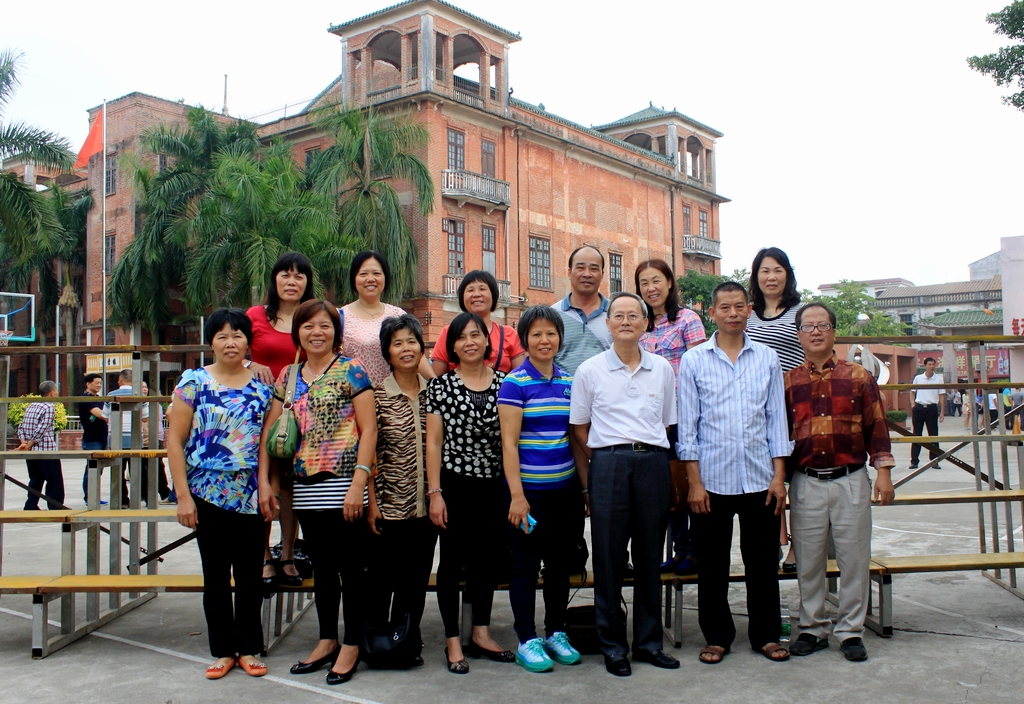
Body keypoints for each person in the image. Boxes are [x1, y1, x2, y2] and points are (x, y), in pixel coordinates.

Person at [259, 299, 376, 686]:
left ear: (335, 332)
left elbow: (369, 430)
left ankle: (351, 644)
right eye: (308, 326)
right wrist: (268, 482)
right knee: (323, 568)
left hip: (345, 484)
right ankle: (327, 640)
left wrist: (359, 482)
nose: (317, 332)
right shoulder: (289, 376)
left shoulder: (351, 369)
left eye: (325, 325)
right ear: (298, 333)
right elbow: (272, 431)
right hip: (305, 487)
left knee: (351, 568)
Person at [676, 281, 793, 665]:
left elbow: (776, 419)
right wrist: (694, 482)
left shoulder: (767, 358)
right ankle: (717, 637)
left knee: (763, 562)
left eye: (739, 306)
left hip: (760, 478)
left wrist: (779, 476)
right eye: (724, 307)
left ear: (749, 310)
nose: (732, 313)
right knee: (712, 565)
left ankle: (766, 636)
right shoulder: (694, 360)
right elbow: (688, 426)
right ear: (712, 313)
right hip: (711, 480)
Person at [570, 292, 679, 677]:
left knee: (650, 556)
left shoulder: (662, 368)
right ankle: (613, 646)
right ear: (608, 323)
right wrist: (608, 455)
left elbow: (665, 422)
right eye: (619, 315)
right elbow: (579, 427)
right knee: (609, 557)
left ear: (646, 323)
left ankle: (649, 643)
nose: (626, 321)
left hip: (652, 464)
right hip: (609, 465)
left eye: (635, 315)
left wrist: (638, 450)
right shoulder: (590, 370)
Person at [784, 302, 896, 662]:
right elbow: (781, 436)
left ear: (834, 332)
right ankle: (812, 628)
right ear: (798, 334)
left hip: (850, 479)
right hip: (805, 481)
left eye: (823, 325)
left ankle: (850, 631)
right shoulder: (789, 381)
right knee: (808, 561)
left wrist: (883, 472)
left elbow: (877, 426)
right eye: (808, 326)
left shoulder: (859, 376)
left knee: (854, 558)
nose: (816, 331)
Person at [167, 308, 274, 680]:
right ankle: (223, 651)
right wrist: (183, 495)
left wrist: (266, 486)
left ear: (248, 341)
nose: (231, 342)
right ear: (211, 342)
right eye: (222, 336)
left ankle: (249, 648)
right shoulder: (193, 382)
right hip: (205, 493)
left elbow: (266, 444)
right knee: (215, 577)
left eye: (238, 335)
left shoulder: (263, 388)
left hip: (249, 494)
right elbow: (175, 441)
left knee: (249, 576)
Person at [498, 306, 588, 673]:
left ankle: (555, 632)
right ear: (525, 340)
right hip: (529, 495)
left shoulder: (569, 382)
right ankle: (526, 639)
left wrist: (584, 490)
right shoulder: (515, 383)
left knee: (559, 565)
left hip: (565, 492)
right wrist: (517, 497)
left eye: (550, 333)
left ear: (560, 338)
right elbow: (508, 444)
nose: (544, 340)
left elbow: (575, 440)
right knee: (525, 566)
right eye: (536, 334)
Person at [426, 311, 513, 674]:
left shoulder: (506, 384)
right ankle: (452, 641)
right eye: (461, 337)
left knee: (486, 561)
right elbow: (433, 443)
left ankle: (481, 632)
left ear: (487, 341)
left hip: (493, 486)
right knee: (450, 562)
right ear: (452, 346)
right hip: (454, 485)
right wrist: (435, 493)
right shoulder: (440, 387)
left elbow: (510, 441)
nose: (469, 342)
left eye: (476, 334)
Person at [366, 314, 436, 661]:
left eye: (412, 341)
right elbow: (368, 453)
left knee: (415, 581)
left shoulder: (435, 394)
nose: (406, 349)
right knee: (382, 581)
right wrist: (371, 503)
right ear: (387, 352)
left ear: (422, 349)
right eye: (397, 343)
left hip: (427, 507)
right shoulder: (376, 396)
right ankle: (377, 644)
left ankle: (406, 642)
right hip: (389, 506)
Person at [247, 252, 315, 590]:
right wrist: (249, 364)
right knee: (261, 483)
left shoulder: (311, 317)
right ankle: (264, 556)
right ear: (274, 280)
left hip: (300, 414)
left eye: (299, 276)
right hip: (259, 412)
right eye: (285, 274)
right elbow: (230, 349)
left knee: (290, 486)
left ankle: (287, 554)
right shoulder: (255, 316)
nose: (292, 281)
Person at [635, 259, 706, 575]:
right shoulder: (641, 325)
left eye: (656, 281)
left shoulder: (687, 319)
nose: (651, 288)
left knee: (692, 484)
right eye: (644, 283)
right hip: (653, 421)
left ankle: (696, 551)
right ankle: (679, 550)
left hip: (686, 418)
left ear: (669, 282)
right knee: (670, 490)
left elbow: (702, 369)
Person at [745, 246, 804, 570]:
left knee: (799, 478)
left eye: (778, 270)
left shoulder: (800, 311)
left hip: (798, 406)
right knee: (770, 475)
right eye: (765, 271)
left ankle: (798, 547)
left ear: (787, 274)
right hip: (760, 408)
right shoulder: (748, 314)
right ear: (756, 276)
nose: (771, 277)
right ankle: (776, 542)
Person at [341, 250, 434, 385]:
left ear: (385, 278)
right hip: (355, 395)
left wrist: (437, 385)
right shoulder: (340, 317)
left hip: (396, 395)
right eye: (363, 274)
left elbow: (417, 357)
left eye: (376, 273)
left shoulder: (398, 314)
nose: (370, 279)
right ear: (354, 279)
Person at [432, 269, 526, 375]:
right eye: (470, 290)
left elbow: (521, 377)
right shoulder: (449, 332)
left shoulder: (509, 334)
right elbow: (436, 378)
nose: (476, 294)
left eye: (482, 289)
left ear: (493, 295)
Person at [551, 245, 612, 375]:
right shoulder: (553, 314)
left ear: (602, 275)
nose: (587, 274)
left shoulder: (616, 314)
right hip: (564, 388)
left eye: (594, 269)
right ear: (569, 272)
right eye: (580, 268)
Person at [102, 368, 148, 507]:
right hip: (135, 439)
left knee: (117, 471)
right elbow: (145, 418)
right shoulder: (140, 395)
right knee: (136, 471)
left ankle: (122, 500)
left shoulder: (111, 395)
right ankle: (138, 499)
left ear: (120, 380)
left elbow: (105, 416)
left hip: (116, 439)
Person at [18, 381, 64, 511]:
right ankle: (56, 507)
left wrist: (24, 443)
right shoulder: (49, 407)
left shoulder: (32, 405)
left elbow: (21, 426)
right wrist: (29, 444)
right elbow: (42, 428)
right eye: (57, 391)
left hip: (31, 451)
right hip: (46, 449)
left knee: (35, 480)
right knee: (54, 481)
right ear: (52, 393)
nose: (58, 393)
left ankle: (30, 506)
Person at [909, 357, 944, 469]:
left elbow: (941, 395)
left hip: (931, 408)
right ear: (925, 366)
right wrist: (913, 405)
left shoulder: (938, 379)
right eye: (929, 364)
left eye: (933, 364)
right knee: (916, 435)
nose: (931, 366)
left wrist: (942, 411)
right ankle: (914, 461)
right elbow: (912, 392)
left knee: (933, 435)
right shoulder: (918, 378)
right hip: (919, 408)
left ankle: (934, 460)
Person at [79, 373, 108, 505]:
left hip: (102, 437)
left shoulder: (98, 398)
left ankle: (94, 496)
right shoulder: (86, 398)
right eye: (97, 383)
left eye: (100, 383)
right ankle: (89, 497)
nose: (99, 385)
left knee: (99, 469)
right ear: (88, 384)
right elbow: (100, 414)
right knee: (91, 469)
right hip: (92, 439)